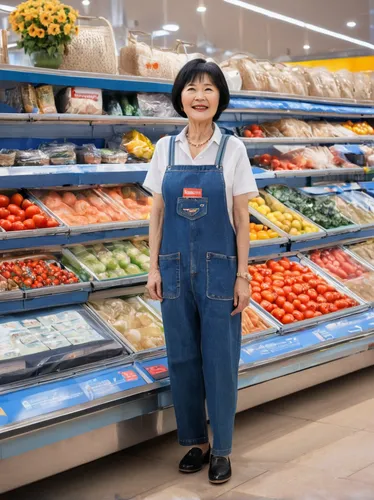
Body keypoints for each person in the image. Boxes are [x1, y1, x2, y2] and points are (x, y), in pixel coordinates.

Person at [144, 58, 258, 484]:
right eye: (192, 88)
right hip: (173, 269)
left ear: (220, 99)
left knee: (220, 362)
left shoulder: (233, 149)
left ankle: (223, 448)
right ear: (180, 97)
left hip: (218, 271)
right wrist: (152, 266)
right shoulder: (164, 149)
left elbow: (243, 219)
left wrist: (243, 275)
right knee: (184, 359)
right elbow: (155, 213)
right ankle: (196, 442)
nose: (200, 96)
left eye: (209, 89)